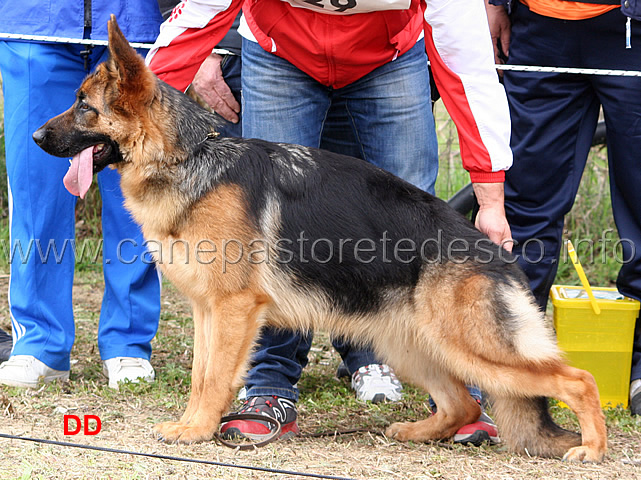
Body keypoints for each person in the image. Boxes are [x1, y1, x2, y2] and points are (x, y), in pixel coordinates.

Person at [147, 0, 513, 445]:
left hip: (389, 54)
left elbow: (468, 64)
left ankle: (461, 395)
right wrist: (148, 98)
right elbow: (199, 15)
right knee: (261, 247)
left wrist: (490, 195)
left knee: (412, 224)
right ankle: (270, 388)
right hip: (280, 47)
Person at [485, 0, 641, 414]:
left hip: (632, 28)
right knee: (525, 207)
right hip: (540, 27)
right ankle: (509, 357)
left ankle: (638, 362)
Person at [0, 0, 163, 389]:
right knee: (36, 194)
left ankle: (128, 342)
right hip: (33, 26)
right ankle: (39, 342)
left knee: (135, 198)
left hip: (136, 26)